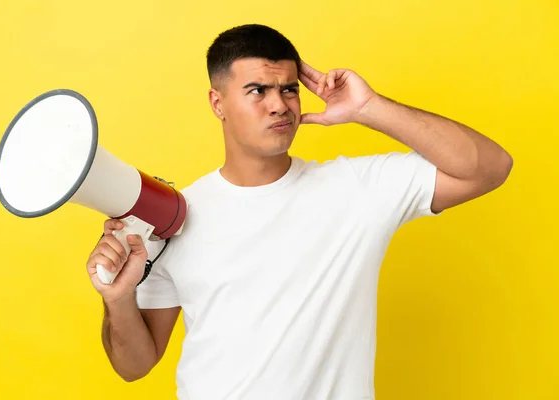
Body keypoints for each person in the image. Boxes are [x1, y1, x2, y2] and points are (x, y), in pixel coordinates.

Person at [86, 24, 513, 399]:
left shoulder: (357, 189)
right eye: (257, 90)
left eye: (288, 88)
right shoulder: (175, 218)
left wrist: (369, 108)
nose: (279, 105)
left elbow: (490, 168)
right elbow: (134, 367)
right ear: (217, 103)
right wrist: (119, 299)